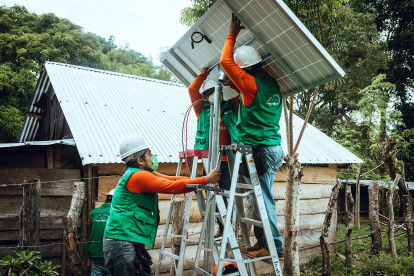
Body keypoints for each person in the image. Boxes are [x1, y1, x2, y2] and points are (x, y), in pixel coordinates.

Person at [103, 135, 221, 275]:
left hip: (123, 240)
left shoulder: (143, 173)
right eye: (149, 153)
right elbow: (173, 186)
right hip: (121, 241)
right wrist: (206, 179)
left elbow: (173, 179)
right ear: (140, 160)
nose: (152, 156)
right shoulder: (138, 176)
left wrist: (199, 180)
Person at [220, 14, 285, 259]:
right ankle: (263, 241)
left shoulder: (250, 85)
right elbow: (251, 93)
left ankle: (275, 245)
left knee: (264, 199)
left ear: (244, 70)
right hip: (270, 147)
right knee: (258, 199)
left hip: (259, 149)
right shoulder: (271, 82)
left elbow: (226, 62)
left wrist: (232, 33)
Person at [188, 68, 239, 236]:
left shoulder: (230, 105)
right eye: (208, 92)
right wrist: (203, 73)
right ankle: (219, 227)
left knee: (225, 197)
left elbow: (240, 92)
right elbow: (192, 90)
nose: (211, 95)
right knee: (213, 198)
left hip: (227, 162)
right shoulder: (201, 109)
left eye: (214, 91)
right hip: (208, 162)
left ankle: (226, 230)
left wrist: (229, 79)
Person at [87, 189, 114, 276]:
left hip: (95, 253)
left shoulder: (93, 213)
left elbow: (89, 226)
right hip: (112, 254)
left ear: (105, 200)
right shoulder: (117, 213)